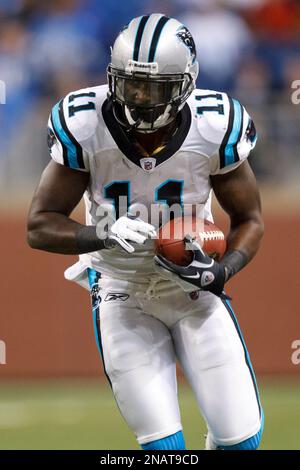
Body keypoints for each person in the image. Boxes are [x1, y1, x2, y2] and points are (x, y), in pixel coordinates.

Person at [27, 13, 264, 450]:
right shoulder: (83, 121)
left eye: (154, 88)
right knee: (163, 450)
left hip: (193, 290)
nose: (138, 97)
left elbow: (250, 220)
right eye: (129, 83)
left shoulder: (216, 124)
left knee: (241, 442)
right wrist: (102, 234)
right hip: (122, 289)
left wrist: (223, 270)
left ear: (186, 83)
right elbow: (39, 226)